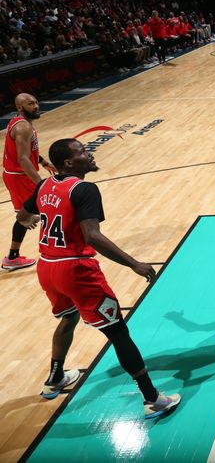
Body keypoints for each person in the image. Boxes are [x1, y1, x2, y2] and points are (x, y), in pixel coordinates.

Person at [16, 138, 180, 418]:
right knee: (118, 332)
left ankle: (55, 377)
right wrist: (133, 263)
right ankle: (152, 398)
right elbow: (93, 235)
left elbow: (23, 215)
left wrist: (30, 221)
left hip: (47, 267)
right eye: (82, 152)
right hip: (75, 270)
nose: (89, 153)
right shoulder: (84, 189)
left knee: (69, 317)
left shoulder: (44, 185)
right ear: (69, 163)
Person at [2, 93, 56, 270]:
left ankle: (12, 257)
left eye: (36, 102)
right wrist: (40, 183)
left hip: (16, 175)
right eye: (30, 104)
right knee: (49, 208)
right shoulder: (23, 127)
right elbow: (23, 158)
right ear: (19, 108)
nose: (35, 106)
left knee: (27, 217)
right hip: (20, 177)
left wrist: (43, 162)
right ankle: (56, 252)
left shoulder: (23, 123)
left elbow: (28, 150)